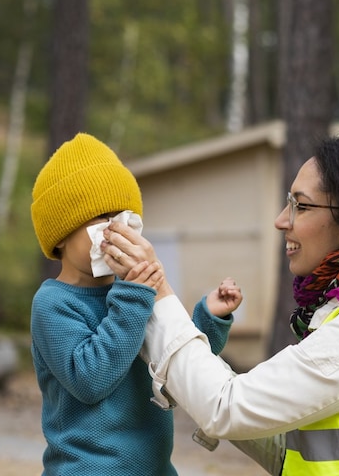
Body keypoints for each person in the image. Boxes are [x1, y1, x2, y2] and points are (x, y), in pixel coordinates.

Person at [106, 108, 339, 474]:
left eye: (301, 205)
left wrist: (154, 288)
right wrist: (188, 369)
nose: (282, 220)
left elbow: (227, 409)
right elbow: (289, 449)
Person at [28, 132, 242, 475]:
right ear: (62, 232)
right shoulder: (53, 303)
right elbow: (90, 380)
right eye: (101, 217)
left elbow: (175, 360)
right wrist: (133, 295)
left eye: (124, 216)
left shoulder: (133, 291)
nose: (117, 228)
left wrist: (209, 319)